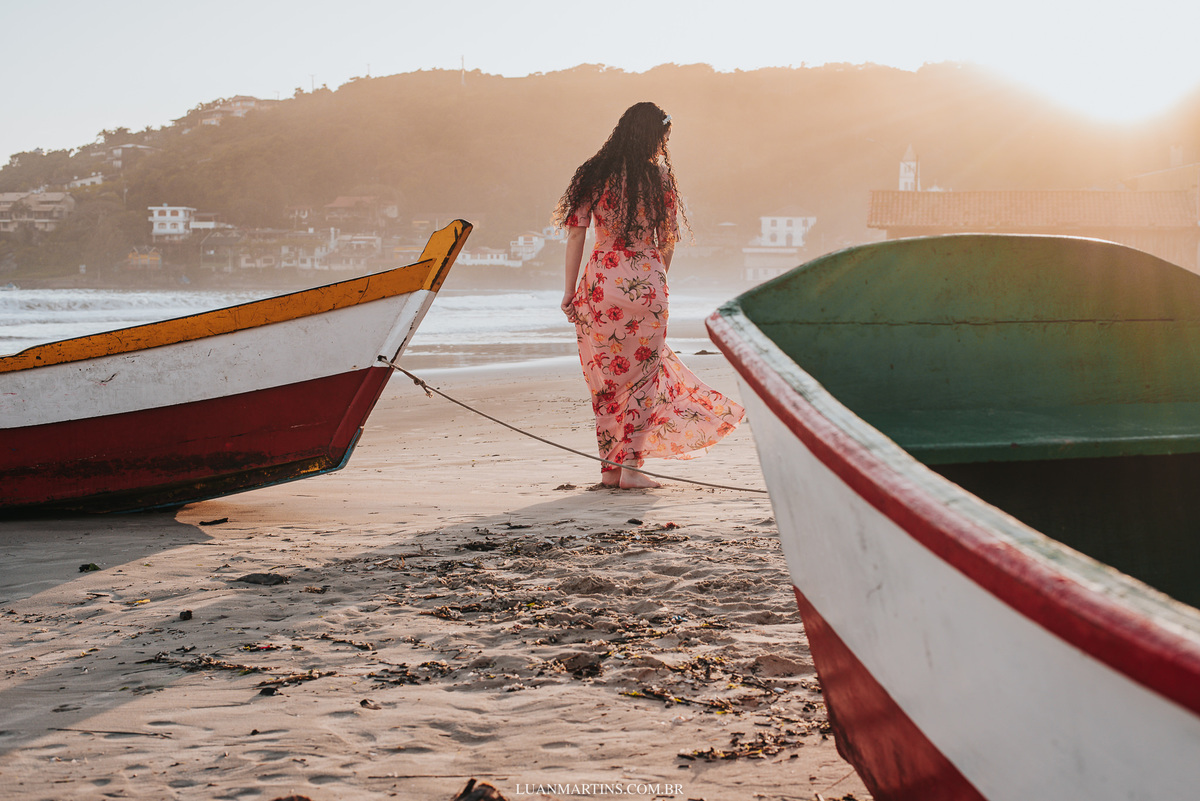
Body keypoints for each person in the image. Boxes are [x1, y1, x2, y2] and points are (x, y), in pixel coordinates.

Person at [553, 102, 745, 489]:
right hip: (647, 282)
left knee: (605, 379)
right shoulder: (659, 178)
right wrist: (652, 279)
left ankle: (609, 471)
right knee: (642, 379)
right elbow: (667, 241)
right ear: (656, 137)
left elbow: (576, 233)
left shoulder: (593, 173)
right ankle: (632, 473)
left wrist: (569, 290)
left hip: (600, 285)